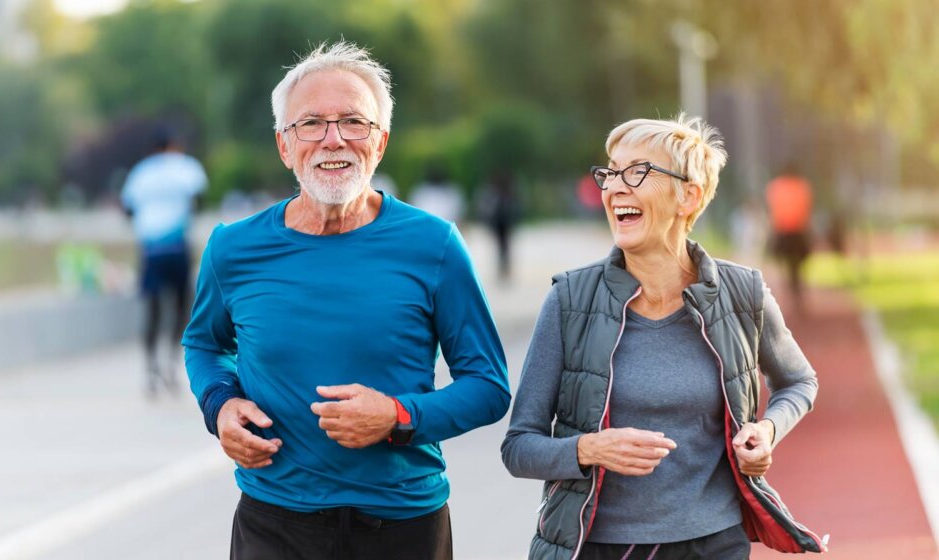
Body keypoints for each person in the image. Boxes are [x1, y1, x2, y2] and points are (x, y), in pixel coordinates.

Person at [182, 41, 510, 560]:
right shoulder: (233, 248)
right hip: (274, 523)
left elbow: (489, 386)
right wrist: (219, 403)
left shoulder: (435, 244)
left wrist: (399, 416)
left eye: (353, 122)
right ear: (284, 146)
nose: (333, 140)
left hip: (403, 525)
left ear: (379, 142)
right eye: (310, 123)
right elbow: (204, 345)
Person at [501, 114, 825, 559]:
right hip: (599, 547)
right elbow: (519, 446)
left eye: (636, 172)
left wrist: (767, 431)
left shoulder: (743, 293)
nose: (614, 187)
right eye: (610, 173)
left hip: (715, 542)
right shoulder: (569, 300)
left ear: (687, 196)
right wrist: (589, 448)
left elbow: (799, 381)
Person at [120, 130, 206, 398]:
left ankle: (150, 368)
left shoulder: (140, 173)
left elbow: (127, 209)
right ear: (173, 145)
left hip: (150, 249)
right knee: (182, 307)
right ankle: (172, 362)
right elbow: (198, 200)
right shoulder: (186, 166)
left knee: (153, 309)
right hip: (177, 245)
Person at [765, 163, 814, 312]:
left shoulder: (775, 187)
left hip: (783, 232)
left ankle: (792, 288)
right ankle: (797, 289)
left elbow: (772, 212)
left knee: (787, 265)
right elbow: (807, 211)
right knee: (797, 267)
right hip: (798, 232)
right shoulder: (803, 187)